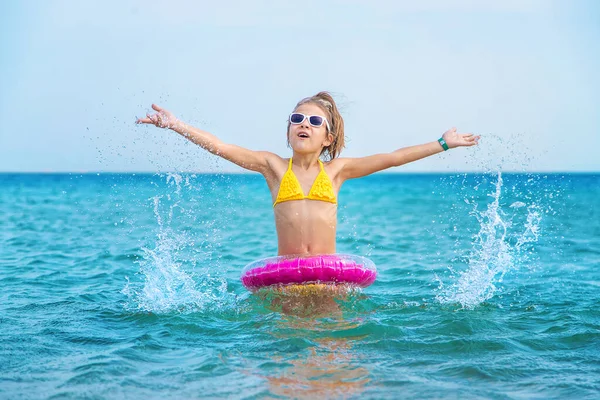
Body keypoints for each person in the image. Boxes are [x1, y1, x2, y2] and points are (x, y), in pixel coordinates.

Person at [136, 91, 479, 257]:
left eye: (315, 121)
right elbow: (220, 146)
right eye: (297, 119)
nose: (304, 125)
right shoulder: (272, 167)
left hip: (328, 278)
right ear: (288, 131)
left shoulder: (337, 171)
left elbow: (392, 158)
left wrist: (442, 144)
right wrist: (176, 125)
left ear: (328, 138)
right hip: (285, 279)